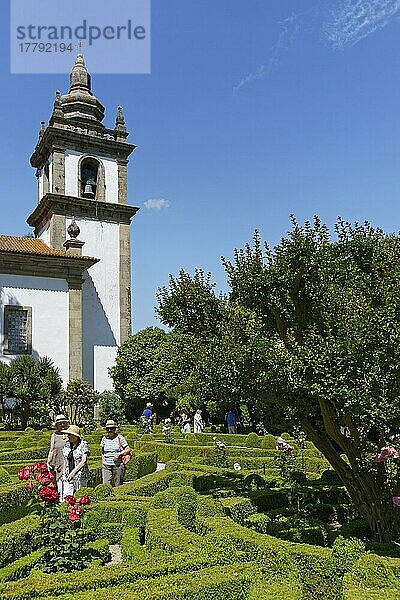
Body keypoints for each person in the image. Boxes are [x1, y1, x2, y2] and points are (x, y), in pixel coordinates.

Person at [59, 425, 90, 502]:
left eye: (70, 434)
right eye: (68, 434)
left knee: (81, 497)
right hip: (68, 474)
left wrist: (73, 472)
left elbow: (83, 461)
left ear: (76, 436)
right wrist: (63, 473)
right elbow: (65, 460)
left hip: (80, 475)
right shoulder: (67, 444)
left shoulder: (83, 444)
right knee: (67, 496)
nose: (68, 436)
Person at [100, 420, 131, 487]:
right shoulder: (104, 439)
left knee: (118, 485)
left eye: (111, 428)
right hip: (106, 465)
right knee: (105, 485)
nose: (109, 430)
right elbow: (102, 451)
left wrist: (119, 454)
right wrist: (103, 462)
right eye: (108, 428)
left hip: (118, 465)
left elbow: (128, 449)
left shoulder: (120, 438)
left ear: (115, 429)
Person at [47, 414, 69, 482]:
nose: (62, 425)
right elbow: (52, 450)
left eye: (64, 423)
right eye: (60, 424)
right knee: (58, 483)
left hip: (68, 461)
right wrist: (48, 462)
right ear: (56, 425)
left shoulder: (70, 433)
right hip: (58, 462)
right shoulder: (54, 435)